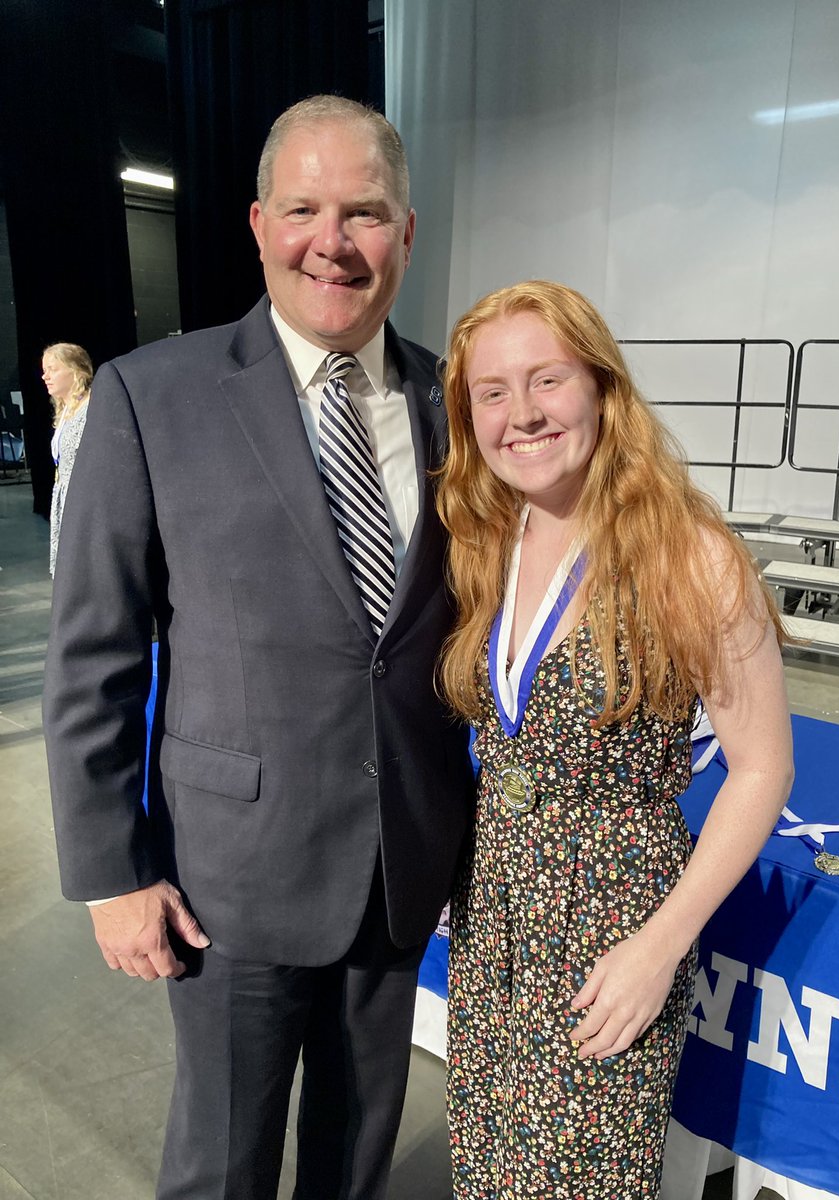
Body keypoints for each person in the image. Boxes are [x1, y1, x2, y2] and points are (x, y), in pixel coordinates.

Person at [42, 95, 472, 1200]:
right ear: (256, 224)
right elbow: (94, 659)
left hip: (395, 870)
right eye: (304, 209)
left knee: (356, 1158)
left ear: (408, 235)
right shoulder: (152, 396)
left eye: (366, 213)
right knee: (221, 1166)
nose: (333, 241)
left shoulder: (454, 403)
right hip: (225, 880)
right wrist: (111, 874)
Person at [436, 281, 794, 1198]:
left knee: (584, 1180)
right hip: (495, 915)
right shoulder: (488, 537)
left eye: (546, 379)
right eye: (492, 391)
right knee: (489, 1167)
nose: (521, 414)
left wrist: (661, 945)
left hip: (612, 926)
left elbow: (761, 768)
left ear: (600, 387)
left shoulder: (690, 553)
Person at [42, 341, 93, 577]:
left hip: (84, 501)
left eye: (53, 369)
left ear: (75, 370)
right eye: (44, 370)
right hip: (64, 495)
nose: (45, 376)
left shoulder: (90, 408)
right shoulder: (66, 410)